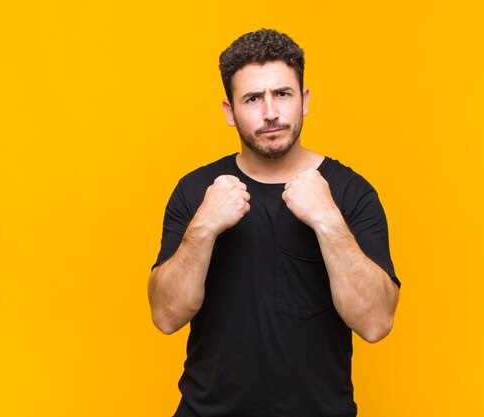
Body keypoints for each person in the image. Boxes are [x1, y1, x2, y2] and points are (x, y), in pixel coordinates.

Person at [148, 29, 401, 417]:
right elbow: (166, 317)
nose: (270, 113)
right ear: (229, 111)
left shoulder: (351, 193)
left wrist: (328, 221)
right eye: (252, 98)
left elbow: (376, 324)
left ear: (304, 100)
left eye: (282, 94)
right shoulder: (197, 190)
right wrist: (204, 227)